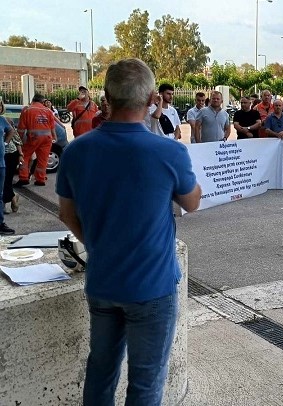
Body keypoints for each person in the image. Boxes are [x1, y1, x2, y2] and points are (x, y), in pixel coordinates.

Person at [56, 58, 201, 405]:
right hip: (152, 288)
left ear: (106, 98)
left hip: (103, 282)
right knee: (146, 383)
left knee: (100, 371)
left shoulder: (77, 150)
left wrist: (97, 245)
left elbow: (66, 214)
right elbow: (192, 202)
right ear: (152, 99)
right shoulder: (169, 152)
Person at [16, 94, 56, 187]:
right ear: (42, 102)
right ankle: (40, 180)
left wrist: (18, 140)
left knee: (24, 156)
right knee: (43, 159)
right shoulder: (48, 111)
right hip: (47, 139)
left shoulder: (27, 110)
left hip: (33, 138)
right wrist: (54, 137)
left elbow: (21, 128)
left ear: (33, 100)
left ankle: (23, 178)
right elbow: (52, 127)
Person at [264, 99, 283, 188]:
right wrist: (276, 134)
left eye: (279, 105)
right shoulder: (269, 117)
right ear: (273, 106)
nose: (278, 107)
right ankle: (272, 181)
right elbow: (267, 130)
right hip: (272, 144)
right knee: (272, 162)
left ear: (282, 106)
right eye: (276, 105)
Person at [1, 99, 21, 216]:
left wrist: (21, 154)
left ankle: (4, 205)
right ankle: (13, 196)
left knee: (6, 181)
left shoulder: (5, 120)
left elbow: (16, 137)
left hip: (9, 154)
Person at [0, 100, 16, 233]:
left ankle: (0, 223)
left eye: (0, 105)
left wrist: (5, 143)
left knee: (0, 195)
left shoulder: (2, 120)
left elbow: (11, 131)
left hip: (1, 164)